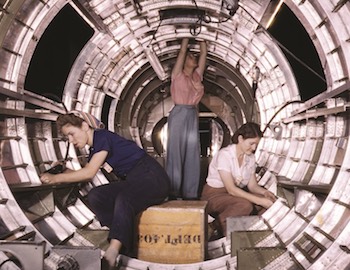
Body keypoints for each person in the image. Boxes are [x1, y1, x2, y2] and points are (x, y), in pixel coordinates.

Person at [40, 111, 170, 269]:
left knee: (124, 198)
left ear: (85, 126)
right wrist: (61, 170)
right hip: (135, 180)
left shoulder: (102, 137)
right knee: (97, 195)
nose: (71, 140)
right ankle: (120, 236)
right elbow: (82, 173)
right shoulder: (95, 149)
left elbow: (88, 173)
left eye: (72, 134)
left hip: (153, 178)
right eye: (67, 137)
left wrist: (55, 178)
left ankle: (113, 251)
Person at [201, 122, 276, 237]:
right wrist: (259, 200)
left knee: (264, 204)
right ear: (240, 139)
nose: (254, 148)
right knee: (245, 205)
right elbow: (231, 189)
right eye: (251, 143)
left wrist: (265, 193)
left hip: (233, 196)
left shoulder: (250, 158)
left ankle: (250, 234)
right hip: (213, 196)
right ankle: (214, 228)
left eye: (256, 144)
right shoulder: (225, 155)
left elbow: (252, 186)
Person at [166, 38, 207, 200]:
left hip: (191, 114)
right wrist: (186, 38)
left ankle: (190, 193)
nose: (193, 58)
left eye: (193, 56)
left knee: (192, 153)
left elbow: (204, 53)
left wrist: (202, 37)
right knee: (175, 152)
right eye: (190, 57)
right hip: (179, 113)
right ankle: (173, 191)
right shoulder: (177, 75)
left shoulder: (197, 76)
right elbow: (182, 52)